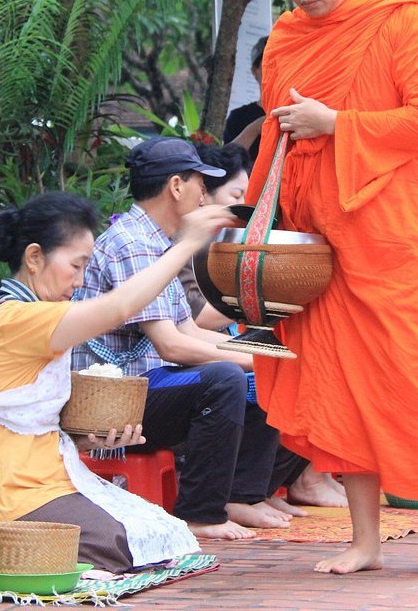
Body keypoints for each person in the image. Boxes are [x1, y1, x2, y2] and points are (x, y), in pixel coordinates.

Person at [246, 0, 418, 573]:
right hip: (320, 232)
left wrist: (336, 121)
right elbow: (274, 131)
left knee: (412, 365)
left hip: (395, 223)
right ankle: (365, 539)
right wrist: (256, 206)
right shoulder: (287, 36)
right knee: (340, 381)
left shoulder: (402, 19)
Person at [0, 192, 234, 569]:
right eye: (76, 266)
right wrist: (188, 243)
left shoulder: (34, 313)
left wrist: (86, 439)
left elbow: (33, 421)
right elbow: (120, 307)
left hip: (35, 482)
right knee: (121, 546)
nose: (79, 281)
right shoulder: (18, 318)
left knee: (161, 539)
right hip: (3, 489)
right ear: (34, 257)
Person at [72, 137, 301, 540]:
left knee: (260, 366)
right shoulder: (133, 243)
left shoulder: (155, 241)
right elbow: (172, 346)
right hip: (113, 402)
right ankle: (200, 513)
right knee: (227, 379)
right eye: (200, 183)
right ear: (176, 186)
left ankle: (241, 497)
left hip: (151, 385)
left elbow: (190, 330)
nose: (203, 195)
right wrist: (258, 360)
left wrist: (266, 354)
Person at [180, 141, 349, 511]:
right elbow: (197, 318)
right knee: (277, 371)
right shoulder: (189, 246)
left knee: (321, 358)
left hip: (224, 343)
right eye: (236, 196)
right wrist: (265, 290)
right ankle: (249, 493)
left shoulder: (226, 242)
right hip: (196, 353)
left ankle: (281, 483)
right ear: (204, 196)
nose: (243, 210)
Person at [222, 37, 269, 159]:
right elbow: (226, 162)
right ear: (255, 71)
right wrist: (256, 127)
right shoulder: (238, 117)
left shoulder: (299, 111)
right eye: (269, 62)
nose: (276, 68)